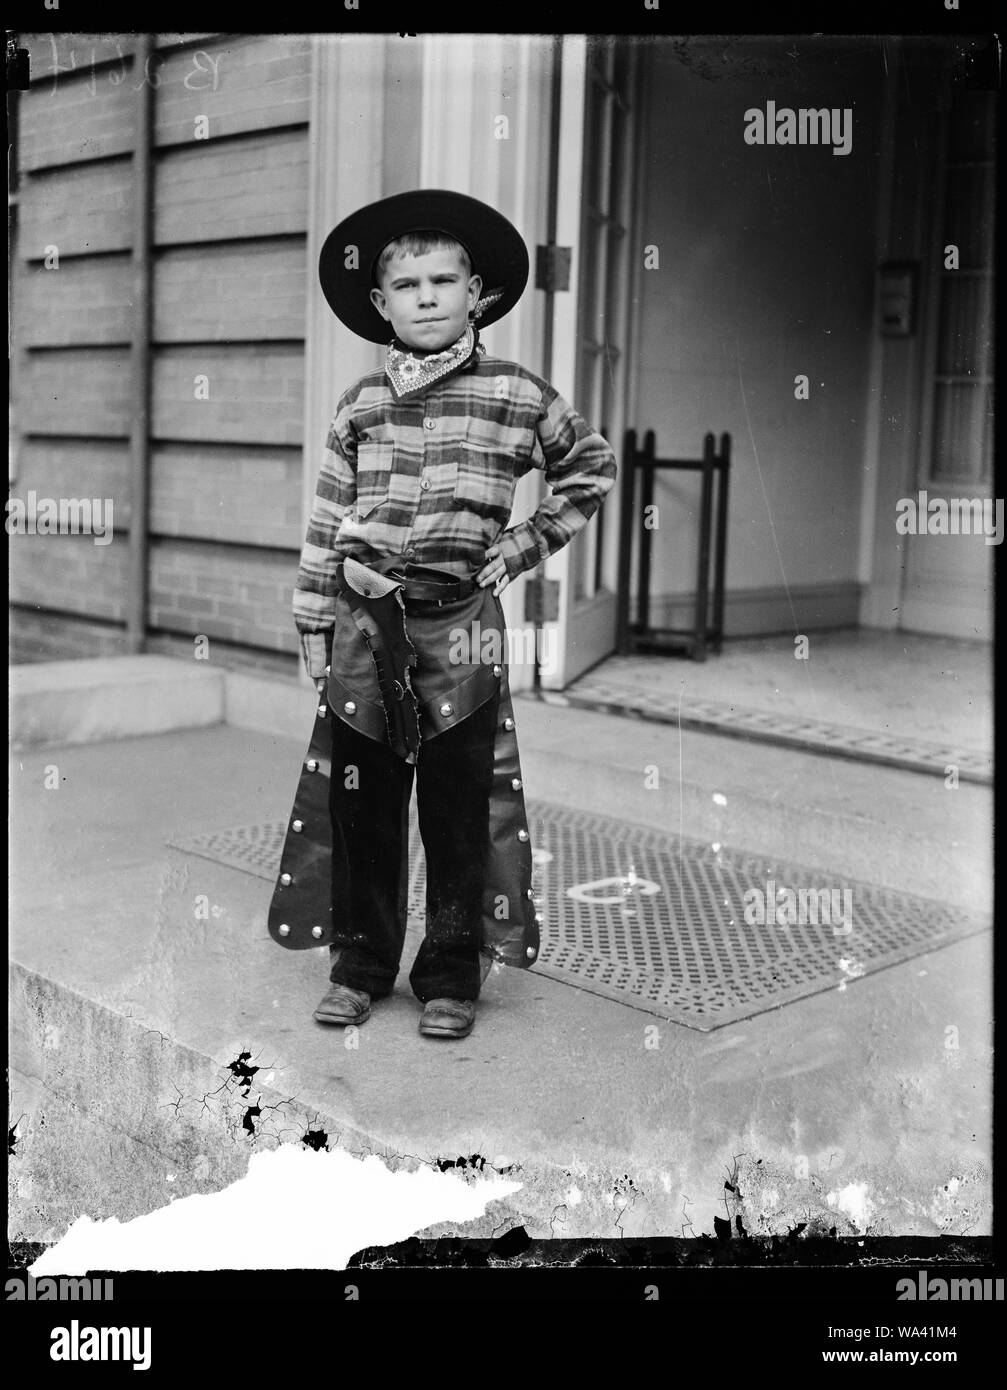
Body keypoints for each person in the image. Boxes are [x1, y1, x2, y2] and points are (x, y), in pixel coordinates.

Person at [269, 189, 616, 1040]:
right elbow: (326, 520)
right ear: (379, 303)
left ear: (477, 295)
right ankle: (359, 966)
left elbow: (591, 468)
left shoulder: (516, 393)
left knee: (459, 808)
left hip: (459, 627)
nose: (426, 298)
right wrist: (314, 623)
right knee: (362, 803)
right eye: (407, 286)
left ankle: (451, 974)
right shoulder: (360, 403)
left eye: (443, 282)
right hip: (363, 626)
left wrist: (525, 544)